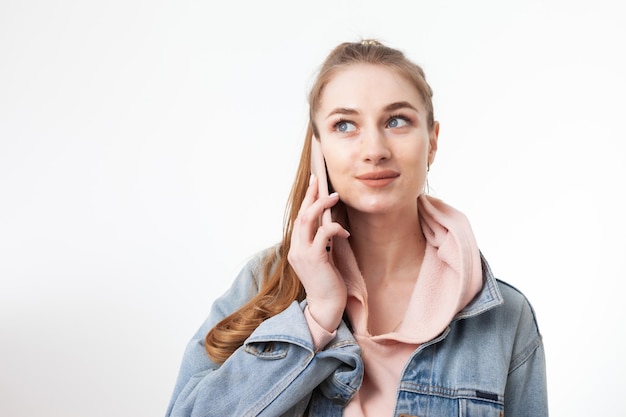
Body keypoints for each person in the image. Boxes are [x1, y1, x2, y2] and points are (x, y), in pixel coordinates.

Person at [165, 39, 548, 417]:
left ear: (431, 142)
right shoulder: (264, 284)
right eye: (345, 125)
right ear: (319, 149)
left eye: (396, 121)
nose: (374, 149)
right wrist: (317, 317)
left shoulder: (504, 316)